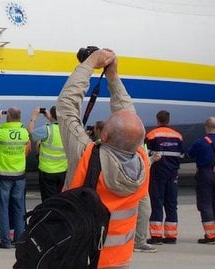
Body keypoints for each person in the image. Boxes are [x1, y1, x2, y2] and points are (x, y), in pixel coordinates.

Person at [57, 48, 149, 268]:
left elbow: (66, 107)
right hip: (119, 259)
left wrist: (88, 64)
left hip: (80, 255)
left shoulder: (87, 156)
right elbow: (128, 116)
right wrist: (113, 76)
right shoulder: (142, 161)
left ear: (104, 134)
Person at [0, 107, 29, 250]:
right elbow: (22, 127)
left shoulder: (1, 133)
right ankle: (20, 240)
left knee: (3, 208)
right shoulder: (24, 133)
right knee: (19, 209)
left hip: (3, 175)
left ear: (8, 117)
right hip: (19, 175)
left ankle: (5, 241)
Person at [144, 110, 183, 243]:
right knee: (171, 204)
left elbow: (146, 155)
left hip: (157, 174)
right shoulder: (178, 136)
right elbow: (181, 155)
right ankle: (171, 236)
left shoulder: (151, 135)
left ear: (157, 120)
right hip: (173, 175)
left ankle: (156, 236)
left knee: (157, 203)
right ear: (168, 120)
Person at [187, 116, 215, 243]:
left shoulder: (200, 142)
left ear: (205, 127)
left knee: (205, 204)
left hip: (205, 174)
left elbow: (189, 154)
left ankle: (210, 235)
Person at [27, 106, 66, 202]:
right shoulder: (66, 130)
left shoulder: (47, 130)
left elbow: (30, 133)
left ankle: (49, 215)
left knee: (48, 200)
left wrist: (34, 116)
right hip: (63, 171)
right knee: (60, 198)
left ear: (52, 115)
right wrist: (51, 118)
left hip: (48, 171)